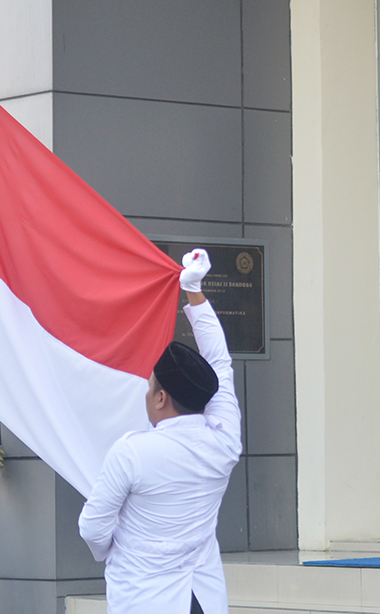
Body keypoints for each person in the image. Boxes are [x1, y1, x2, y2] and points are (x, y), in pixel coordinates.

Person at [78, 248, 240, 613]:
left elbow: (92, 529)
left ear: (162, 398)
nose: (146, 393)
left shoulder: (132, 453)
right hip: (202, 600)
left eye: (150, 387)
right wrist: (193, 290)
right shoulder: (224, 441)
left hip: (145, 600)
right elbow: (220, 364)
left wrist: (115, 550)